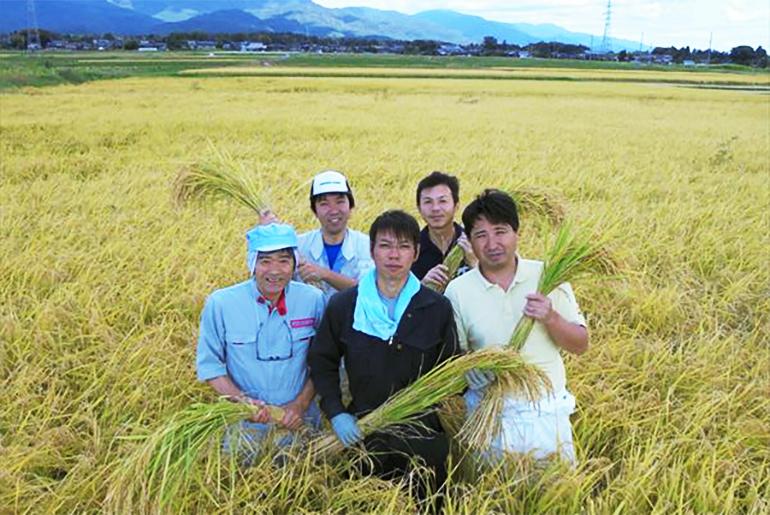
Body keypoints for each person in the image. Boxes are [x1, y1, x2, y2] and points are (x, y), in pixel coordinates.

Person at [308, 210, 459, 502]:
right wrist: (337, 413)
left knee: (427, 504)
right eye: (386, 245)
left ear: (416, 253)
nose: (394, 255)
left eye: (404, 246)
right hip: (363, 434)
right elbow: (322, 361)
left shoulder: (436, 307)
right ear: (372, 251)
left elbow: (449, 366)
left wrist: (473, 374)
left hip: (422, 438)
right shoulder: (344, 305)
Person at [444, 189, 588, 462]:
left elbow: (581, 344)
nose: (492, 243)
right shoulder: (458, 290)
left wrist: (551, 318)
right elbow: (457, 356)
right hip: (490, 416)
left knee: (555, 497)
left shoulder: (548, 276)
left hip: (547, 412)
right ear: (470, 244)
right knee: (492, 497)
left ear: (517, 233)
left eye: (500, 231)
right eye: (481, 235)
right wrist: (470, 369)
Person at [196, 223, 326, 461]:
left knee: (301, 486)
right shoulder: (222, 303)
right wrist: (243, 402)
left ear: (295, 264)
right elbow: (210, 366)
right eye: (265, 261)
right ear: (251, 263)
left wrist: (300, 404)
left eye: (284, 261)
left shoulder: (313, 300)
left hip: (299, 422)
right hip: (245, 427)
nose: (275, 271)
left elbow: (324, 361)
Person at [261, 170, 373, 302]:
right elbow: (268, 281)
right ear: (315, 210)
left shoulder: (368, 246)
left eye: (340, 201)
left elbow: (370, 292)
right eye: (324, 204)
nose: (333, 210)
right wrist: (269, 238)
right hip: (307, 322)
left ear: (350, 206)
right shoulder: (297, 246)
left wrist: (325, 274)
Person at [411, 171, 477, 290]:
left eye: (442, 201)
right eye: (428, 202)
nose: (435, 208)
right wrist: (422, 287)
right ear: (419, 209)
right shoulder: (411, 250)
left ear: (456, 206)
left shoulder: (474, 243)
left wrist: (476, 264)